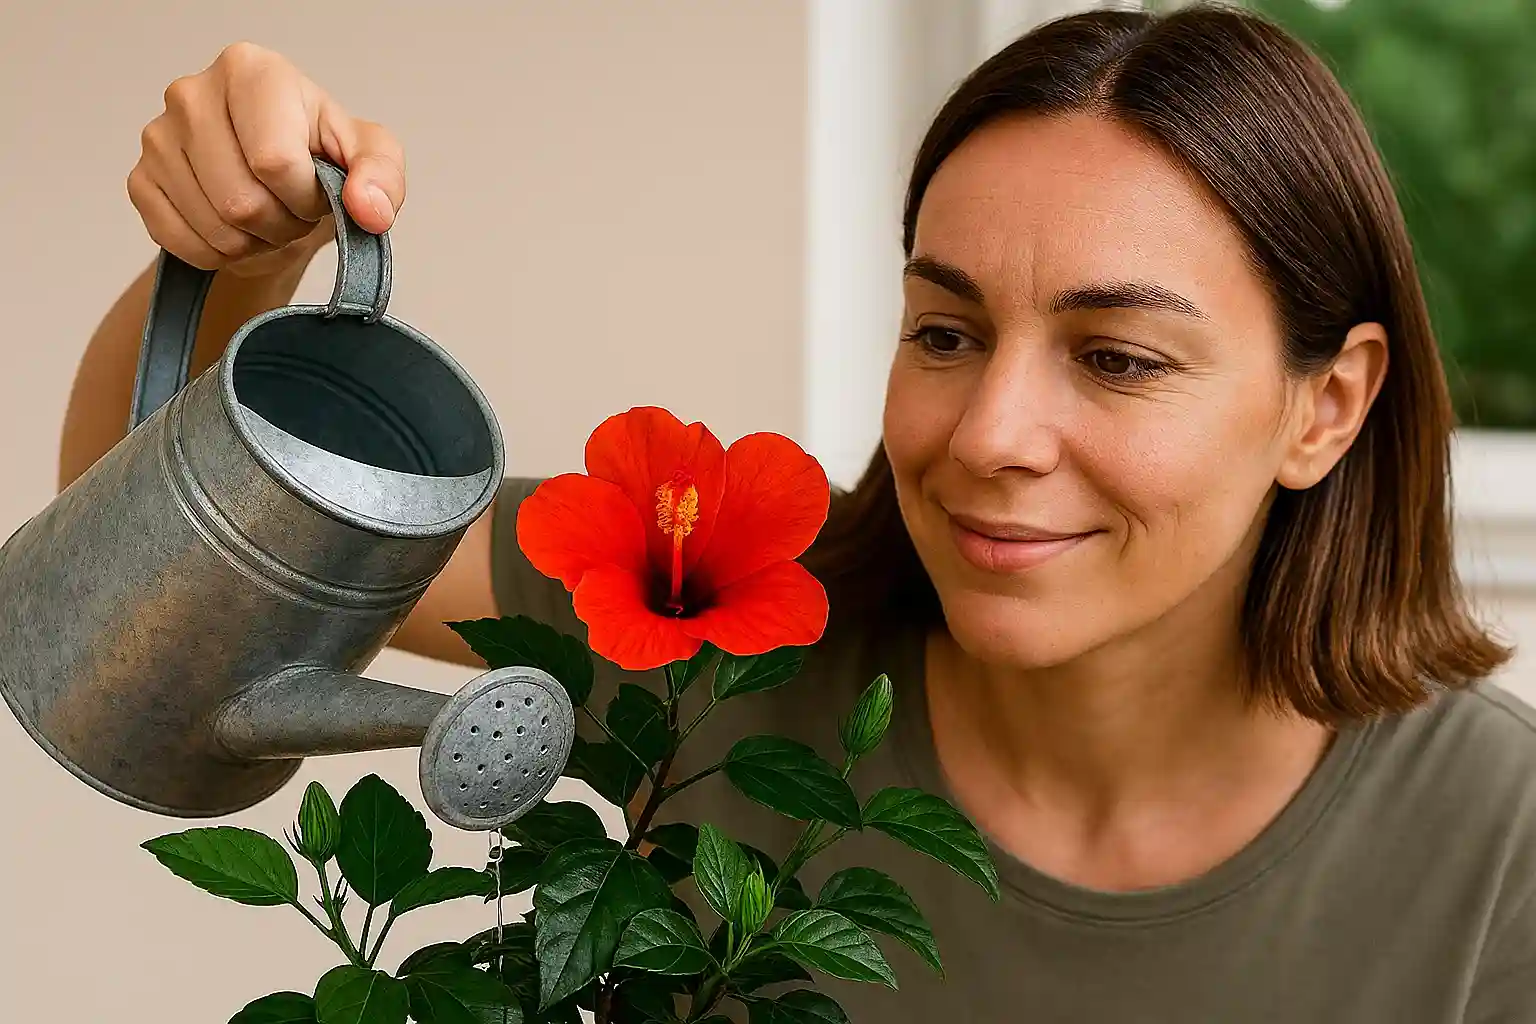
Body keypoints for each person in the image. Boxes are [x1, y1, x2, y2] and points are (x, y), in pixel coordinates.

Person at [58, 4, 1536, 1021]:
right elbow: (153, 583)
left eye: (1118, 358)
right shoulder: (721, 617)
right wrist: (241, 254)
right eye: (946, 333)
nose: (991, 436)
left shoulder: (1497, 841)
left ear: (1325, 406)